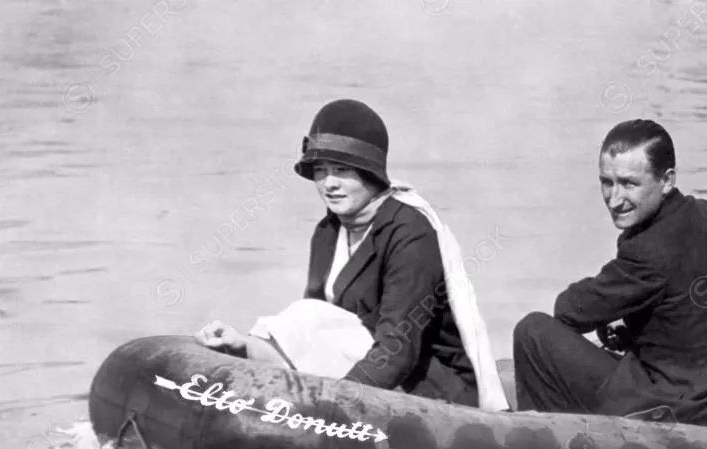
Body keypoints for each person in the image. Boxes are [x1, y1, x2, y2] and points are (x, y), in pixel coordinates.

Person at [194, 99, 508, 411]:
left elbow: (397, 350)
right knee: (306, 314)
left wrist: (335, 407)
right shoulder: (328, 232)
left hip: (430, 385)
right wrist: (247, 346)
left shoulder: (410, 233)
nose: (329, 184)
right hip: (361, 368)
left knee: (309, 317)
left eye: (341, 171)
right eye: (320, 171)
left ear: (369, 174)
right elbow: (315, 329)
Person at [512, 119, 707, 429]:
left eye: (628, 183)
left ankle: (552, 444)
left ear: (667, 181)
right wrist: (669, 329)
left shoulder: (647, 250)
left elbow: (570, 310)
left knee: (532, 332)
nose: (614, 198)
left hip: (681, 412)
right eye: (606, 182)